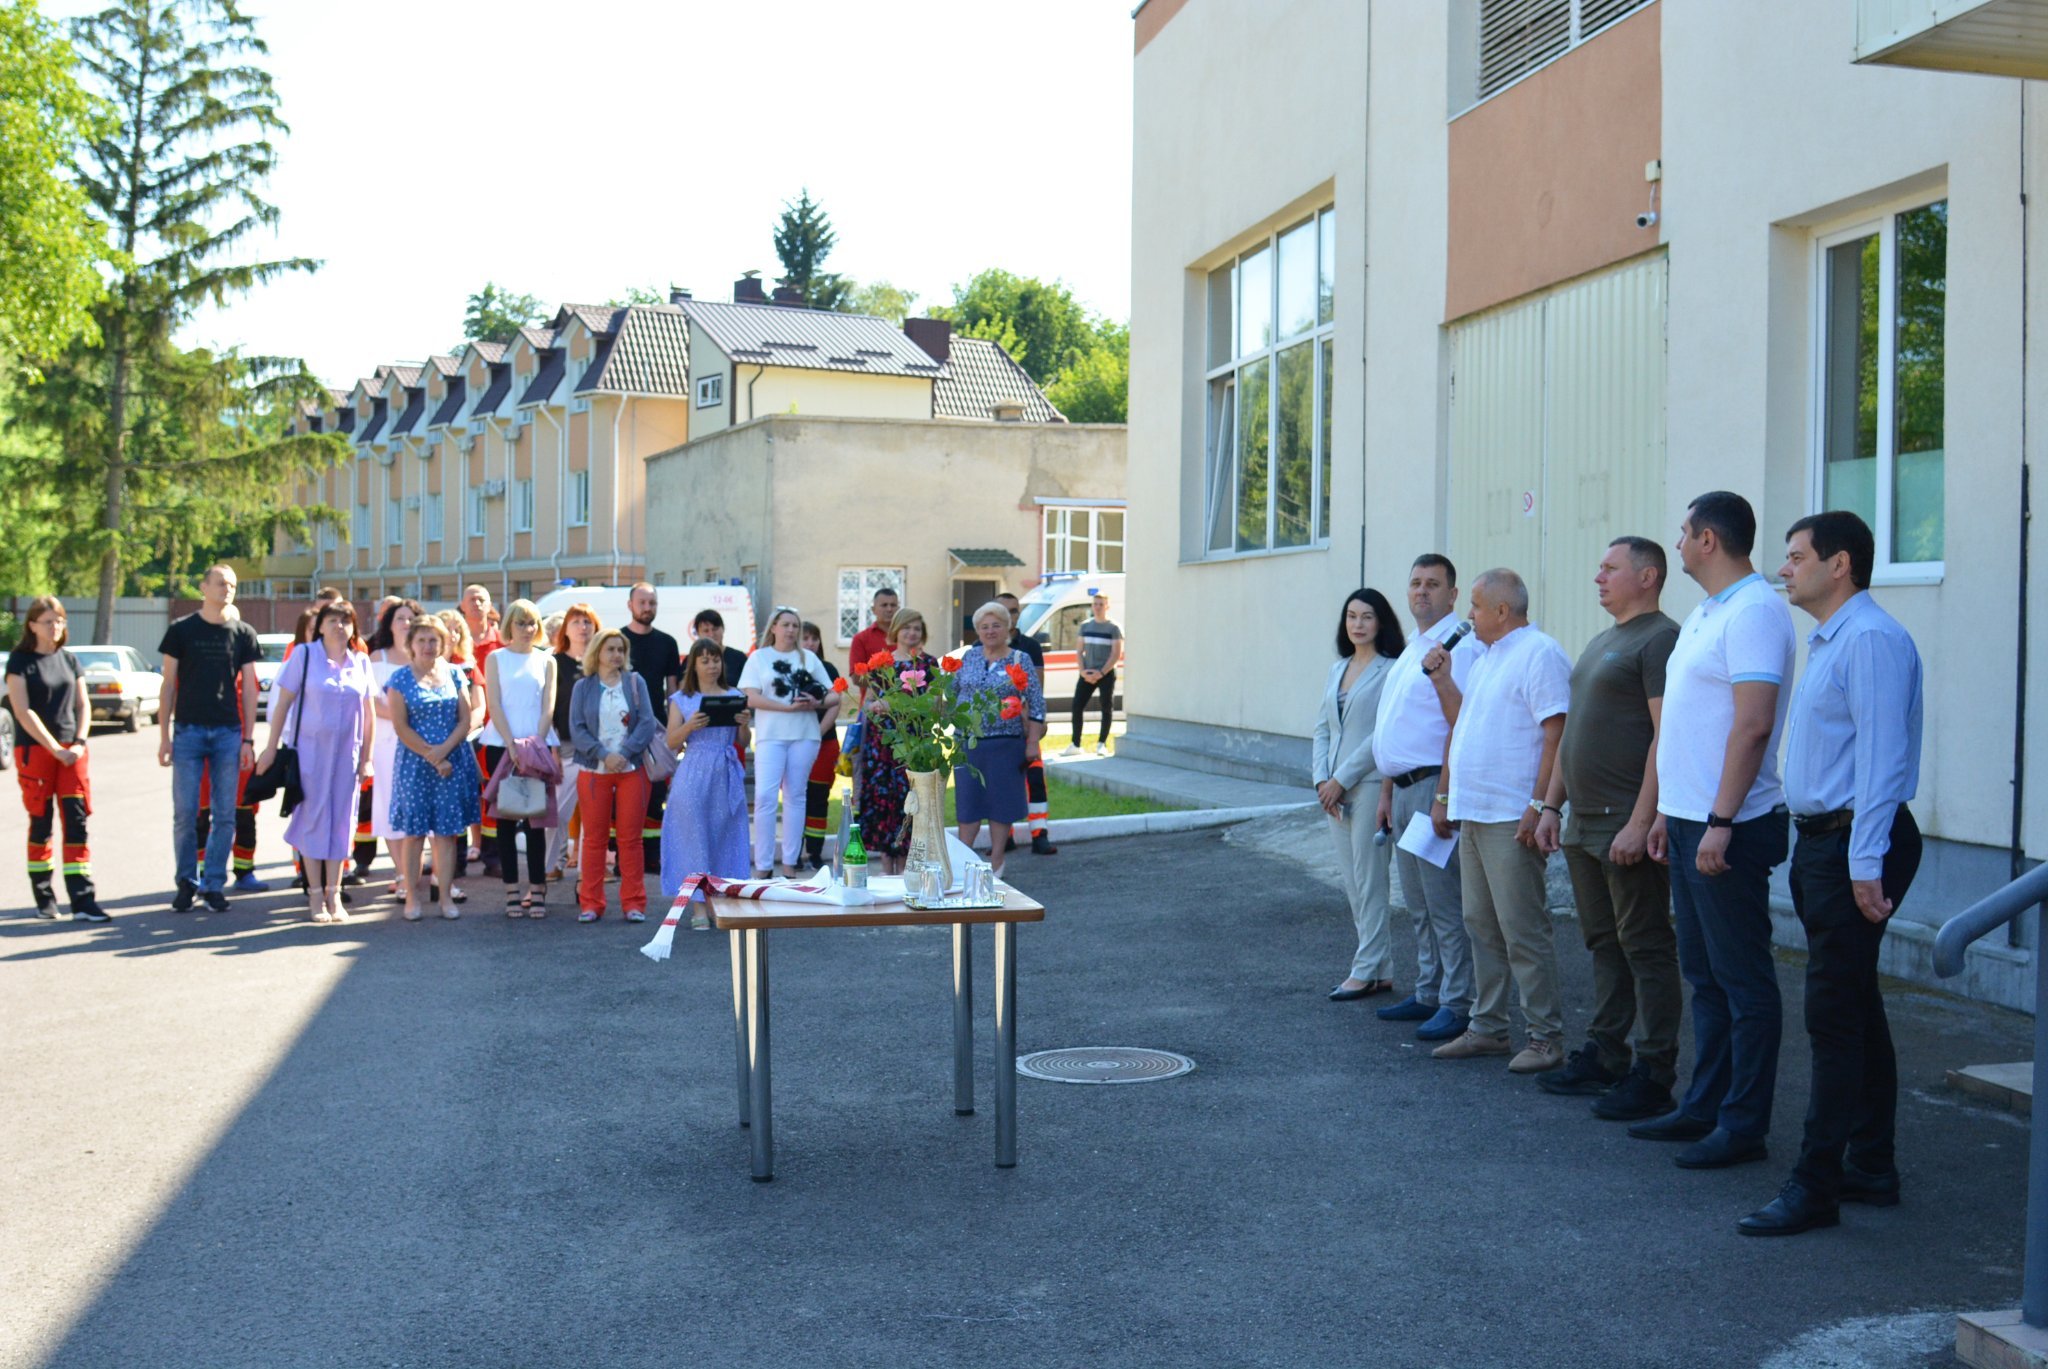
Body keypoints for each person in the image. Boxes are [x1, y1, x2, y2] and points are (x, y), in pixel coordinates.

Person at [1739, 511, 1924, 1236]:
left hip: (1856, 842)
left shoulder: (1870, 638)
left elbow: (1881, 760)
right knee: (1854, 1003)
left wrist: (1864, 862)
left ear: (1839, 564)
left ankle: (1817, 1184)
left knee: (1833, 1014)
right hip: (1826, 841)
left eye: (1796, 556)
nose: (1784, 569)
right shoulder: (1833, 638)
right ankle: (1870, 1164)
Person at [1633, 490, 1796, 1171]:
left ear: (1708, 539)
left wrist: (1720, 820)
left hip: (1730, 824)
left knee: (1742, 981)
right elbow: (1687, 725)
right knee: (1704, 974)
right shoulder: (1708, 611)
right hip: (1689, 819)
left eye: (1683, 533)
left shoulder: (1755, 610)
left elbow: (1752, 724)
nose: (1677, 543)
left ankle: (1743, 1124)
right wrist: (1668, 812)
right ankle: (1705, 1105)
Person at [1531, 539, 1684, 1118]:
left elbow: (1667, 735)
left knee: (1645, 945)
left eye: (1610, 568)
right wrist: (1551, 807)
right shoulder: (1602, 641)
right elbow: (1573, 733)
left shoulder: (1660, 638)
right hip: (1582, 824)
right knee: (1604, 943)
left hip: (1623, 823)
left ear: (1647, 576)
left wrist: (1643, 820)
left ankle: (1655, 1070)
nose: (1598, 576)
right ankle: (1607, 1054)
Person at [1430, 569, 1573, 1073]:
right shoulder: (1489, 657)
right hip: (1476, 810)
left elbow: (1557, 733)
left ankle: (1545, 1037)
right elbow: (1465, 723)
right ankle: (1488, 1027)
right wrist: (1443, 679)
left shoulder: (1540, 653)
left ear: (1502, 611)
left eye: (1474, 605)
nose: (1468, 616)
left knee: (1522, 929)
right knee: (1481, 925)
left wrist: (1539, 804)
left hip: (1512, 814)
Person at [1369, 554, 1480, 1042]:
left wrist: (1444, 795)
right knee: (1417, 904)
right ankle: (1429, 990)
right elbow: (1396, 727)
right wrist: (1386, 791)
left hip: (1433, 787)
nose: (1421, 591)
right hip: (1403, 789)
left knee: (1443, 904)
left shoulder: (1460, 647)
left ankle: (1458, 1002)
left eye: (1433, 584)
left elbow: (1462, 722)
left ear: (1453, 594)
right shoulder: (1414, 647)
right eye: (1415, 582)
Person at [1311, 589, 1403, 1000]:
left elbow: (1381, 734)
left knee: (1371, 883)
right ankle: (1380, 969)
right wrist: (1322, 781)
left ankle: (1364, 970)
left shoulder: (1391, 670)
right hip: (1334, 793)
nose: (1358, 624)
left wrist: (1342, 779)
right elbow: (1322, 729)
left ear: (1380, 622)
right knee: (1353, 883)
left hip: (1367, 786)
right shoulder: (1338, 669)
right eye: (1351, 616)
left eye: (1367, 616)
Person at [259, 600, 375, 924]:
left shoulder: (361, 661)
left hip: (348, 757)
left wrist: (367, 758)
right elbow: (283, 704)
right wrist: (271, 748)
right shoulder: (304, 655)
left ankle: (334, 893)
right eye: (332, 620)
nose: (339, 626)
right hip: (310, 755)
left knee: (342, 822)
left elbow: (369, 715)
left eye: (346, 621)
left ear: (353, 628)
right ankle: (314, 895)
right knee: (312, 821)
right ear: (320, 625)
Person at [159, 564, 263, 913]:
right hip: (188, 732)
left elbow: (250, 690)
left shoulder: (243, 633)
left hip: (227, 733)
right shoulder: (181, 630)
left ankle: (214, 884)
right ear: (203, 587)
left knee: (225, 814)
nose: (227, 589)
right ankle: (186, 882)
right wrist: (164, 737)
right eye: (220, 583)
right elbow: (168, 685)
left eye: (232, 584)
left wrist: (248, 739)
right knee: (186, 813)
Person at [6, 597, 104, 922]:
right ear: (32, 625)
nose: (55, 627)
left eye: (59, 620)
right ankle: (45, 899)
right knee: (41, 821)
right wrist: (54, 748)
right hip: (37, 752)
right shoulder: (20, 661)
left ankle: (83, 900)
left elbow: (83, 704)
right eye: (48, 621)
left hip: (72, 751)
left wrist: (79, 742)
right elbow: (22, 711)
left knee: (76, 821)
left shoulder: (70, 660)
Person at [384, 615, 479, 921]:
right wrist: (433, 756)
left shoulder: (455, 673)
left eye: (433, 639)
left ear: (443, 643)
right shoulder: (399, 679)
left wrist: (444, 751)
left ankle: (445, 898)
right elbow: (401, 726)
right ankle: (412, 898)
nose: (428, 645)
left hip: (452, 763)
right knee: (414, 834)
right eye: (422, 640)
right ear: (411, 644)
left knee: (447, 834)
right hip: (416, 764)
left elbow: (465, 719)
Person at [568, 627, 662, 922]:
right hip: (594, 770)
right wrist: (604, 755)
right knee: (594, 840)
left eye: (621, 649)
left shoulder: (635, 682)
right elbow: (576, 728)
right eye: (610, 649)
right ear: (597, 653)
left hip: (631, 770)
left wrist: (625, 753)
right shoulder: (583, 687)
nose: (617, 654)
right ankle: (591, 904)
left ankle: (634, 903)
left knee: (630, 839)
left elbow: (647, 722)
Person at [662, 638, 753, 931]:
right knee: (695, 838)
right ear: (694, 665)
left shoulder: (734, 694)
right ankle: (699, 904)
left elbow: (743, 742)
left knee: (724, 836)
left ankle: (722, 900)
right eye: (705, 660)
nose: (712, 665)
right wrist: (690, 725)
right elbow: (671, 742)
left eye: (716, 660)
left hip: (725, 772)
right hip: (694, 772)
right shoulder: (682, 699)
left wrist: (743, 723)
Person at [740, 607, 839, 876]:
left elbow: (835, 695)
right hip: (771, 735)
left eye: (795, 625)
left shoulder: (809, 658)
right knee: (765, 797)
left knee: (796, 796)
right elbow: (750, 697)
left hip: (804, 736)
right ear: (773, 627)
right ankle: (763, 866)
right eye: (785, 624)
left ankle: (789, 865)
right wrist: (786, 708)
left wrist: (816, 701)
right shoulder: (759, 657)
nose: (791, 630)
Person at [480, 598, 560, 917]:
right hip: (501, 746)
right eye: (521, 623)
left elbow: (548, 706)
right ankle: (511, 890)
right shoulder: (496, 658)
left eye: (532, 623)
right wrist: (512, 745)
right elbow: (494, 704)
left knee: (535, 821)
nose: (527, 629)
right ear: (509, 626)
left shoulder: (547, 660)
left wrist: (533, 745)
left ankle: (537, 889)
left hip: (537, 747)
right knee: (505, 821)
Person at [954, 602, 1045, 877]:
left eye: (996, 625)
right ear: (977, 631)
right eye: (984, 627)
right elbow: (951, 693)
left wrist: (1032, 742)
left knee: (1000, 804)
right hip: (968, 744)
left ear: (1008, 628)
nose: (990, 631)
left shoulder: (1019, 659)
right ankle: (963, 860)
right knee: (968, 803)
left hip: (1005, 744)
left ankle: (996, 859)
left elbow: (1037, 703)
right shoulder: (968, 657)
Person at [858, 609, 938, 875]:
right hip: (882, 744)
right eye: (906, 628)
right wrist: (876, 706)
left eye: (916, 628)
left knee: (910, 800)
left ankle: (905, 867)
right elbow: (866, 703)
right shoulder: (882, 662)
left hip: (914, 744)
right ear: (896, 630)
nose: (911, 633)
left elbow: (935, 704)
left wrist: (901, 706)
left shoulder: (929, 663)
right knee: (884, 800)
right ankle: (886, 867)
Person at [365, 599, 422, 900]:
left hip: (421, 743)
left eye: (411, 618)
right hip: (388, 743)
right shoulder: (378, 657)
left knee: (417, 808)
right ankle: (401, 874)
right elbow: (372, 702)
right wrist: (403, 719)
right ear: (389, 624)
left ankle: (416, 873)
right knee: (390, 807)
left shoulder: (424, 657)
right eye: (400, 618)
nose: (406, 624)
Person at [623, 583, 681, 876]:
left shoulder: (667, 643)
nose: (647, 608)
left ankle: (652, 855)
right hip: (622, 730)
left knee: (656, 793)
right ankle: (620, 857)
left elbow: (673, 692)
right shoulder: (618, 641)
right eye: (642, 602)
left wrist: (675, 730)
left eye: (652, 603)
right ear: (630, 605)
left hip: (657, 730)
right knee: (623, 795)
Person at [996, 590, 1057, 856]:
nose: (1009, 616)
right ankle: (1004, 836)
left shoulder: (1030, 646)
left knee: (1034, 780)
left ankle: (1039, 834)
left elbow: (1036, 691)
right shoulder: (980, 647)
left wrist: (1033, 724)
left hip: (1025, 726)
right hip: (997, 729)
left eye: (1013, 610)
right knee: (1001, 781)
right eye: (1003, 610)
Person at [547, 603, 600, 880]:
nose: (583, 627)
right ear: (565, 629)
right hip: (565, 745)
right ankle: (551, 865)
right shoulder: (554, 663)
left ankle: (587, 872)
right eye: (576, 622)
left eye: (587, 622)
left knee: (594, 815)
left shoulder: (603, 662)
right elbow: (548, 710)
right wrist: (552, 748)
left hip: (599, 748)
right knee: (557, 811)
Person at [799, 620, 843, 870]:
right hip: (794, 743)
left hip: (824, 743)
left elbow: (835, 704)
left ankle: (814, 853)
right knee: (797, 797)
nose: (810, 643)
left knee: (818, 798)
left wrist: (817, 733)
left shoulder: (828, 668)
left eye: (814, 638)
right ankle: (794, 853)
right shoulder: (790, 668)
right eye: (805, 638)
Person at [1063, 592, 1124, 757]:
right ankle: (1075, 744)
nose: (1098, 607)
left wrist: (1101, 672)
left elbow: (1116, 654)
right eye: (1095, 604)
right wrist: (1083, 671)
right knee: (1077, 706)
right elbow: (1079, 651)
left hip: (1106, 674)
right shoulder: (1085, 626)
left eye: (1101, 604)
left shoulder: (1114, 628)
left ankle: (1101, 744)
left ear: (1107, 606)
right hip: (1087, 673)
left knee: (1106, 708)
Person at [848, 586, 899, 688]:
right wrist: (889, 683)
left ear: (898, 609)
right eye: (884, 605)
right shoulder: (861, 638)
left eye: (893, 605)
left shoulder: (907, 636)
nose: (889, 609)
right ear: (873, 610)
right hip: (874, 696)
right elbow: (856, 677)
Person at [691, 608, 750, 689]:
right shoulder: (691, 659)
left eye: (715, 629)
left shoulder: (739, 658)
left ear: (723, 628)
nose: (711, 634)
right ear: (697, 633)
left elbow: (748, 689)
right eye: (706, 631)